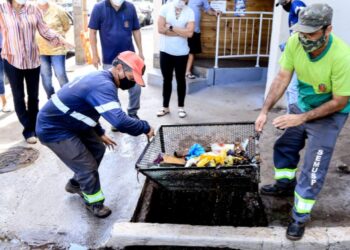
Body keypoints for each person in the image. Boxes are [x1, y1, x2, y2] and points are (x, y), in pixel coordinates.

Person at [255, 4, 350, 241]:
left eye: (311, 33)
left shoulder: (342, 57)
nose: (304, 38)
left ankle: (299, 216)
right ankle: (285, 184)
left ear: (328, 29)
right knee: (285, 144)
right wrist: (264, 111)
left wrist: (301, 118)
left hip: (331, 113)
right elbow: (282, 77)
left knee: (314, 165)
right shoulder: (295, 43)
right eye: (301, 32)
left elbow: (340, 101)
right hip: (305, 104)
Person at [36, 51, 154, 218]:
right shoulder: (103, 85)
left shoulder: (102, 79)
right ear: (119, 68)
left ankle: (75, 184)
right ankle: (95, 204)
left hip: (71, 122)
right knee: (86, 166)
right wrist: (145, 127)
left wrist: (99, 132)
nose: (132, 82)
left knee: (98, 148)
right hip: (54, 129)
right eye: (131, 77)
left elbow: (86, 109)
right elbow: (119, 121)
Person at [0, 0, 72, 144]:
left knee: (34, 96)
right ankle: (28, 129)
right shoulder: (2, 8)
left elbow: (44, 29)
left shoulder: (33, 8)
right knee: (18, 96)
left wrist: (61, 40)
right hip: (12, 59)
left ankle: (34, 125)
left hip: (32, 58)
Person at [89, 0, 144, 128]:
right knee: (111, 90)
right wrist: (95, 54)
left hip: (129, 58)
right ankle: (117, 118)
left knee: (136, 87)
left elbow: (136, 30)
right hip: (110, 58)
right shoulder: (99, 8)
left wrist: (140, 51)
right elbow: (92, 32)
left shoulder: (130, 7)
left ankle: (133, 113)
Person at [157, 0, 195, 118]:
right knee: (166, 80)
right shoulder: (165, 8)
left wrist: (171, 27)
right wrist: (180, 32)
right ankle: (165, 107)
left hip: (182, 52)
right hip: (165, 51)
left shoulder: (190, 12)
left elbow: (190, 33)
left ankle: (181, 107)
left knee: (180, 80)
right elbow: (160, 29)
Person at [36, 0, 71, 99]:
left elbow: (66, 26)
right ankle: (51, 99)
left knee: (60, 74)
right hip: (40, 49)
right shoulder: (32, 9)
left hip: (57, 48)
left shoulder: (58, 9)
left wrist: (57, 38)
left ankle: (68, 98)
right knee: (45, 76)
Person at [276, 0, 306, 111]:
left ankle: (292, 119)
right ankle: (290, 116)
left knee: (293, 88)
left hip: (301, 53)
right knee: (290, 88)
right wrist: (289, 43)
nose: (284, 6)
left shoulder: (297, 5)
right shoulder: (294, 7)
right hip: (296, 52)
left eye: (284, 3)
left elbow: (306, 20)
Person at [185, 0, 219, 79]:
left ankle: (187, 72)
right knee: (180, 51)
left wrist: (215, 12)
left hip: (194, 29)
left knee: (191, 51)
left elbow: (208, 9)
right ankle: (177, 70)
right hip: (181, 28)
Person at [0, 32, 10, 113]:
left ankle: (23, 100)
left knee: (16, 76)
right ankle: (4, 103)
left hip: (7, 49)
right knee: (0, 79)